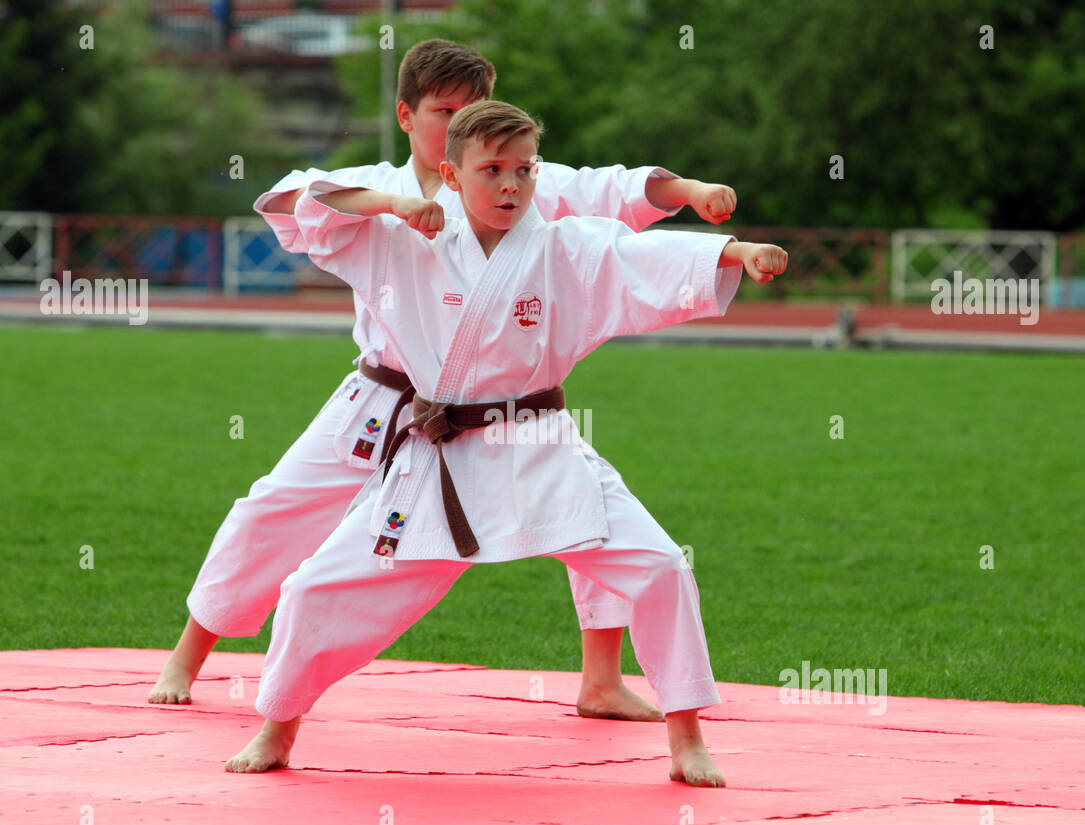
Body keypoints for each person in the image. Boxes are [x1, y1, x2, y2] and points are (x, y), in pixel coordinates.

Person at [149, 39, 739, 721]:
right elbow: (296, 199)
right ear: (406, 115)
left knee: (583, 511)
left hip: (497, 406)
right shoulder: (381, 185)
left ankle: (600, 680)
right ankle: (188, 652)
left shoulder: (518, 179)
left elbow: (616, 186)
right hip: (383, 395)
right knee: (276, 506)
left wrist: (694, 193)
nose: (458, 120)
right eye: (444, 109)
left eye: (474, 107)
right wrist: (389, 206)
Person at [224, 100, 788, 786]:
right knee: (316, 587)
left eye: (523, 170)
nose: (511, 185)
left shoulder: (561, 245)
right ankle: (277, 728)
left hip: (540, 451)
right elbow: (297, 198)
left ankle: (687, 738)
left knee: (662, 567)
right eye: (491, 170)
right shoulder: (401, 235)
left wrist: (735, 251)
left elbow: (641, 255)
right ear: (451, 175)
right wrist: (395, 203)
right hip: (439, 463)